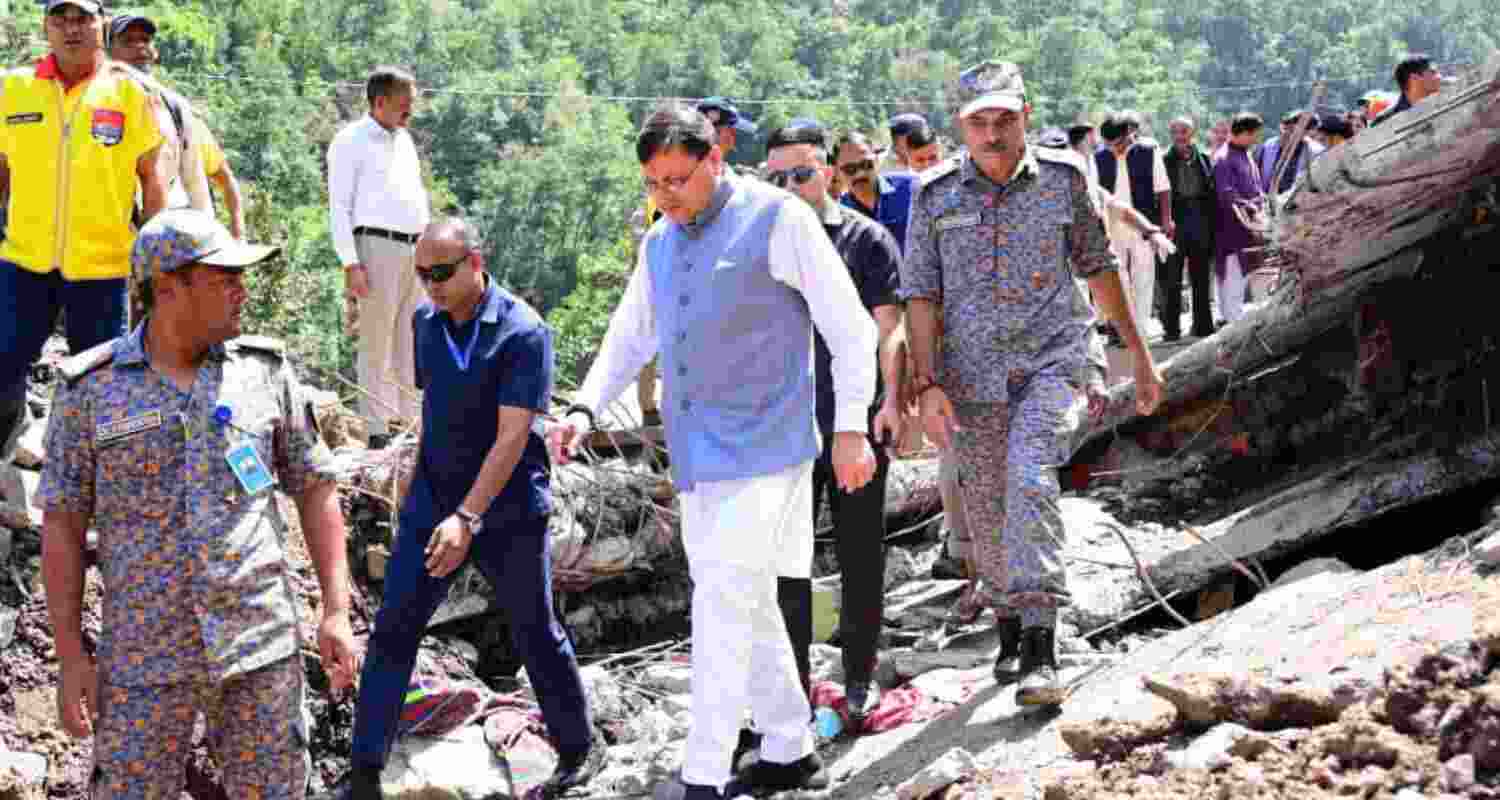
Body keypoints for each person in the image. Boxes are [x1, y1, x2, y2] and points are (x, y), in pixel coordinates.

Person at [550, 104, 878, 800]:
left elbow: (851, 328)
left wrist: (852, 426)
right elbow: (630, 333)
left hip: (769, 449)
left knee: (722, 607)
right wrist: (583, 405)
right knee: (744, 597)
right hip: (697, 457)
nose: (665, 196)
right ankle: (790, 747)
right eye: (653, 183)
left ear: (715, 161)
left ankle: (702, 774)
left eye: (677, 179)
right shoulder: (660, 245)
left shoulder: (777, 219)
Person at [38, 208, 357, 798]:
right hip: (142, 662)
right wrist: (69, 654)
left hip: (259, 649)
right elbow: (61, 526)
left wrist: (335, 610)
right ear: (168, 287)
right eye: (224, 278)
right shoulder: (91, 390)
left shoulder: (264, 374)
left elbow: (315, 487)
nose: (242, 291)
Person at [903, 61, 1165, 706]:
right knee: (986, 505)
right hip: (972, 377)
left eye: (1004, 119)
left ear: (1026, 114)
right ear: (960, 126)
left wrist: (1140, 355)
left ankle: (1043, 643)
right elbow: (921, 296)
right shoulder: (934, 196)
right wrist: (927, 383)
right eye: (978, 122)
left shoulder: (1064, 180)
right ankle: (1009, 625)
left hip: (1055, 359)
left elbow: (1099, 267)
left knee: (1028, 477)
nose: (992, 134)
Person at [345, 218, 602, 799]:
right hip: (434, 504)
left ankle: (576, 748)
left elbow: (512, 437)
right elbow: (433, 411)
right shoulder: (424, 325)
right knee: (393, 631)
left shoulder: (523, 333)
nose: (431, 285)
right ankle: (363, 771)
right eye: (422, 274)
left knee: (535, 629)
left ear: (475, 261)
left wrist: (468, 517)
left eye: (443, 272)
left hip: (507, 511)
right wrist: (413, 493)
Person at [764, 123, 905, 731]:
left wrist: (890, 401)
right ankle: (791, 687)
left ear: (829, 172)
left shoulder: (866, 241)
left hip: (851, 423)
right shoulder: (761, 243)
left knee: (858, 554)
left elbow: (888, 329)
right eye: (777, 178)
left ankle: (858, 678)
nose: (790, 187)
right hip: (783, 430)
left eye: (801, 174)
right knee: (786, 564)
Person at [0, 0, 172, 462]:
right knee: (2, 366)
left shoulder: (131, 94)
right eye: (61, 18)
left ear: (101, 23)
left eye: (83, 18)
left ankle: (99, 487)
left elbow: (152, 179)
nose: (71, 28)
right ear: (46, 26)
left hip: (102, 268)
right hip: (23, 262)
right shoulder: (12, 90)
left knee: (102, 384)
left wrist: (152, 264)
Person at [328, 66, 431, 446]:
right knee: (376, 341)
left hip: (414, 250)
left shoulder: (404, 141)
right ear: (380, 100)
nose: (410, 110)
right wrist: (350, 262)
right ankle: (375, 429)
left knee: (410, 339)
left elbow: (417, 196)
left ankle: (410, 425)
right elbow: (339, 206)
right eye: (405, 102)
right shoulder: (349, 140)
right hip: (374, 245)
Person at [107, 12, 246, 238]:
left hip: (177, 242)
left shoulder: (177, 111)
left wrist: (239, 234)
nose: (139, 47)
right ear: (109, 52)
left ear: (154, 52)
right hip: (115, 241)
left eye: (145, 40)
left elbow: (225, 177)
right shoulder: (98, 109)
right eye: (128, 41)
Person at [1095, 111, 1173, 339]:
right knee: (1117, 278)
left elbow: (1163, 187)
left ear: (1129, 133)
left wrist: (1166, 219)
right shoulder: (1100, 157)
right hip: (1112, 226)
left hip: (1144, 224)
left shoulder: (1148, 152)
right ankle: (1119, 330)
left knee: (1143, 276)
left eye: (1118, 144)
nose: (1114, 149)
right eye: (1109, 145)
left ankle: (1139, 330)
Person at [1162, 116, 1217, 340]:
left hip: (1200, 220)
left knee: (1201, 276)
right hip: (1175, 221)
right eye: (1175, 132)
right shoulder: (1164, 160)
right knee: (1172, 278)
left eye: (1184, 131)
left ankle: (1203, 326)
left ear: (1192, 133)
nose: (1179, 136)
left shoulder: (1204, 158)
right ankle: (1172, 330)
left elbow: (1211, 193)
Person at [1213, 112, 1265, 325]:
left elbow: (1255, 186)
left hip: (1250, 228)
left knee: (1242, 280)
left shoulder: (1246, 153)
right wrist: (1251, 208)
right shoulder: (1223, 158)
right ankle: (1231, 326)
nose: (1256, 140)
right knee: (1232, 280)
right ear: (1243, 133)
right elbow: (1227, 195)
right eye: (1254, 135)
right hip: (1232, 230)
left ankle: (1234, 321)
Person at [837, 131, 918, 251]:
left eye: (865, 164)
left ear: (876, 161)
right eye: (850, 169)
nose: (860, 174)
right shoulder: (839, 215)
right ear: (838, 172)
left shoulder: (912, 188)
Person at [1255, 110, 1324, 195]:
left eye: (1292, 130)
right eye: (1286, 127)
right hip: (1266, 200)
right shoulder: (1267, 147)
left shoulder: (1315, 152)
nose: (1286, 133)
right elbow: (1256, 175)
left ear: (1306, 132)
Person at [1372, 55, 1443, 127]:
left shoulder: (1443, 108)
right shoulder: (1384, 121)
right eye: (1433, 72)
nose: (1440, 77)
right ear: (1414, 78)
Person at [697, 96, 757, 168]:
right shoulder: (700, 126)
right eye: (713, 111)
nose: (714, 115)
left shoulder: (722, 131)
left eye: (717, 112)